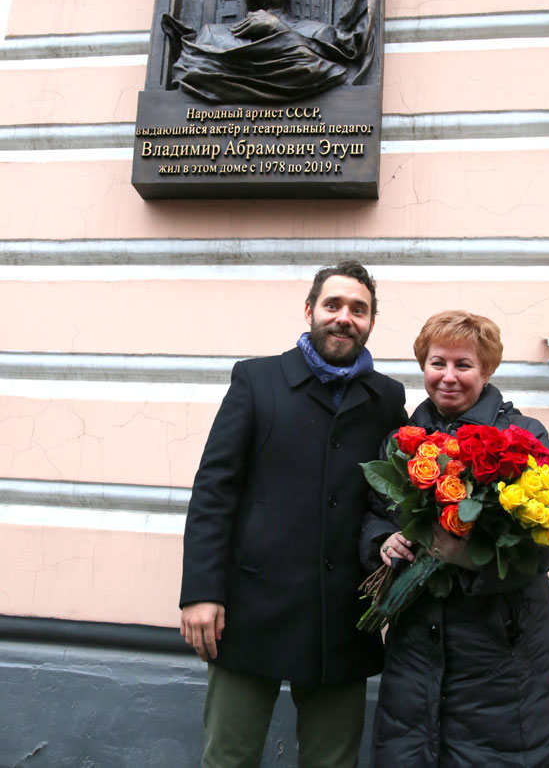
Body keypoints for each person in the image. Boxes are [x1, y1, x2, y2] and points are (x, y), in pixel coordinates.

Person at [180, 260, 408, 768]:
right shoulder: (257, 380)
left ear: (371, 322)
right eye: (333, 305)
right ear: (310, 311)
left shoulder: (387, 398)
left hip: (343, 615)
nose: (344, 317)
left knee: (333, 761)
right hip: (250, 608)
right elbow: (214, 491)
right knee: (229, 758)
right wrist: (201, 591)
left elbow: (391, 496)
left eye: (358, 309)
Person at [361, 310, 549, 768]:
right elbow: (374, 513)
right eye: (437, 363)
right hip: (416, 652)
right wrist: (384, 541)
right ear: (423, 366)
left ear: (486, 370)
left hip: (503, 655)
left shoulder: (521, 438)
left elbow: (546, 545)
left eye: (463, 365)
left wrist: (469, 557)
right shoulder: (402, 441)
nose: (448, 376)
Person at [162, 0, 366, 103]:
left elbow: (326, 72)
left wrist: (278, 30)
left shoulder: (318, 33)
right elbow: (186, 74)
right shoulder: (211, 36)